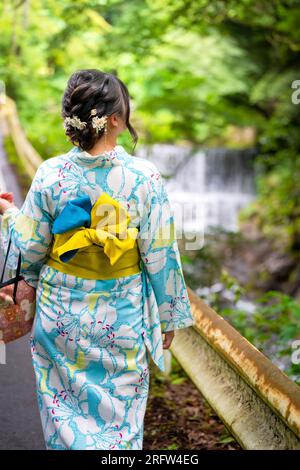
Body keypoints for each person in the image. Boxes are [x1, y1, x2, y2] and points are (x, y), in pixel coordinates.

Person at [0, 69, 195, 450]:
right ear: (117, 120)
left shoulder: (51, 174)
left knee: (64, 419)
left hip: (61, 320)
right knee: (120, 423)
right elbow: (161, 253)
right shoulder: (144, 178)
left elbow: (29, 248)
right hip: (121, 320)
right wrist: (169, 317)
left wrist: (8, 216)